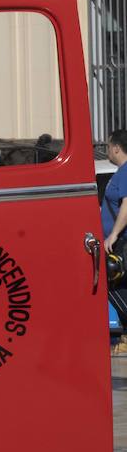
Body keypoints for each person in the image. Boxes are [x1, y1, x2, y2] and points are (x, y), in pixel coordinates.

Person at [102, 130, 127, 353]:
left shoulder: (126, 172)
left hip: (121, 246)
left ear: (117, 148)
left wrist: (114, 235)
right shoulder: (120, 172)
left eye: (109, 146)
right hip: (116, 245)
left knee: (114, 290)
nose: (107, 150)